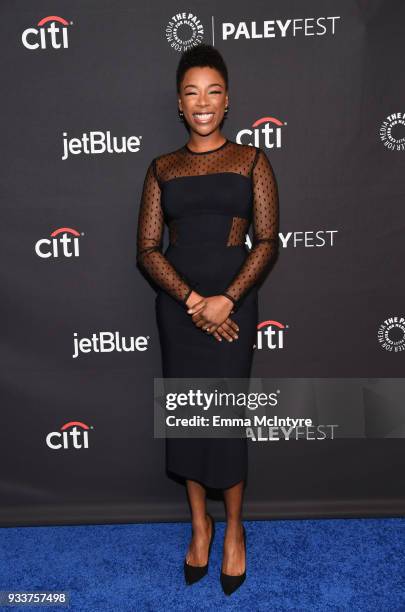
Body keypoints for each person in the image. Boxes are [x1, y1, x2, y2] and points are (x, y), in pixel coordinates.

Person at [136, 43, 279, 595]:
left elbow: (266, 241)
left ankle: (236, 530)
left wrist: (228, 299)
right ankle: (201, 525)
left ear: (227, 101)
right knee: (189, 418)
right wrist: (196, 301)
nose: (202, 102)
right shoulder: (161, 168)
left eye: (213, 91)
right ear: (179, 102)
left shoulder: (251, 161)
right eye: (192, 92)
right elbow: (148, 249)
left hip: (235, 310)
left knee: (225, 423)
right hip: (179, 309)